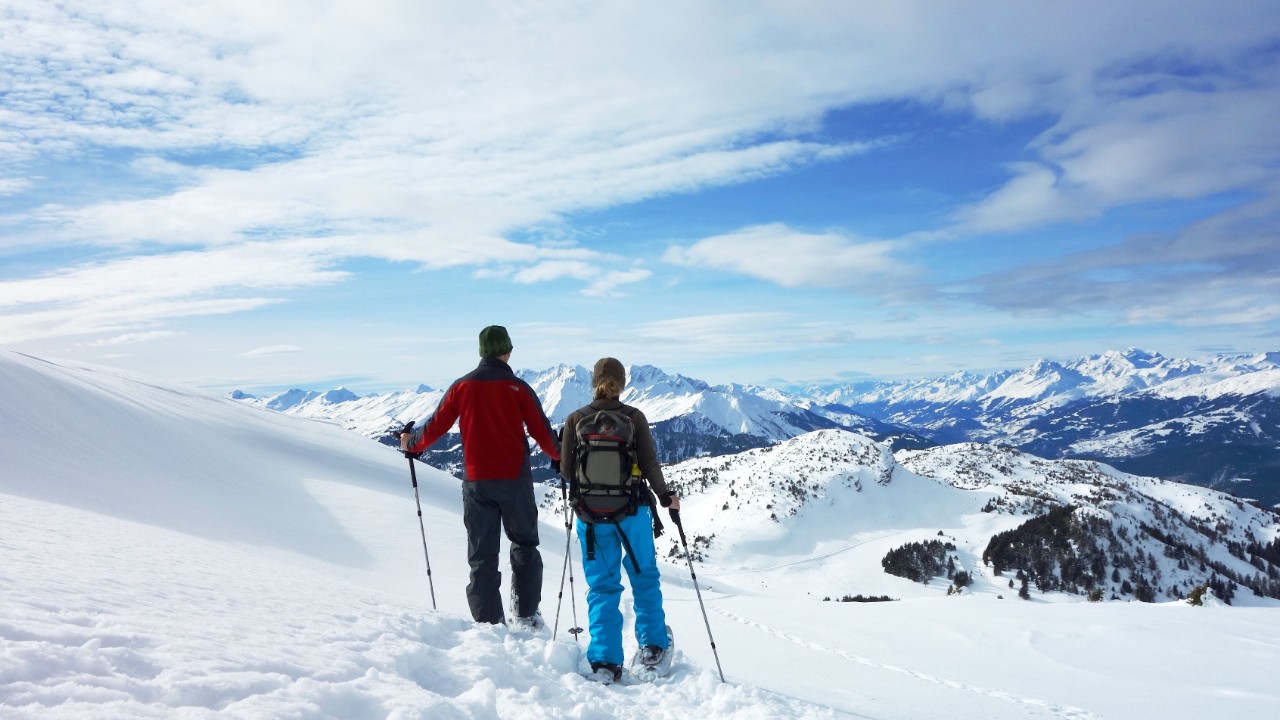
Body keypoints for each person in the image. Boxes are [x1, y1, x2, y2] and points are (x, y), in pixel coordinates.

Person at [401, 325, 560, 628]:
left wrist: (410, 443)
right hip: (515, 481)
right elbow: (545, 436)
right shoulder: (519, 388)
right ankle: (526, 614)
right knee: (524, 544)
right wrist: (561, 456)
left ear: (481, 352)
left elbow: (434, 427)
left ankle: (489, 624)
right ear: (507, 351)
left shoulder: (462, 387)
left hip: (476, 482)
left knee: (482, 555)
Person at [560, 357, 680, 683]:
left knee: (602, 586)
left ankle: (604, 661)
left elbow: (567, 471)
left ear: (594, 381)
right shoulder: (633, 417)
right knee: (644, 578)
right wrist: (667, 496)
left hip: (591, 518)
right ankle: (653, 646)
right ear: (622, 383)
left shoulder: (576, 419)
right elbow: (651, 464)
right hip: (632, 512)